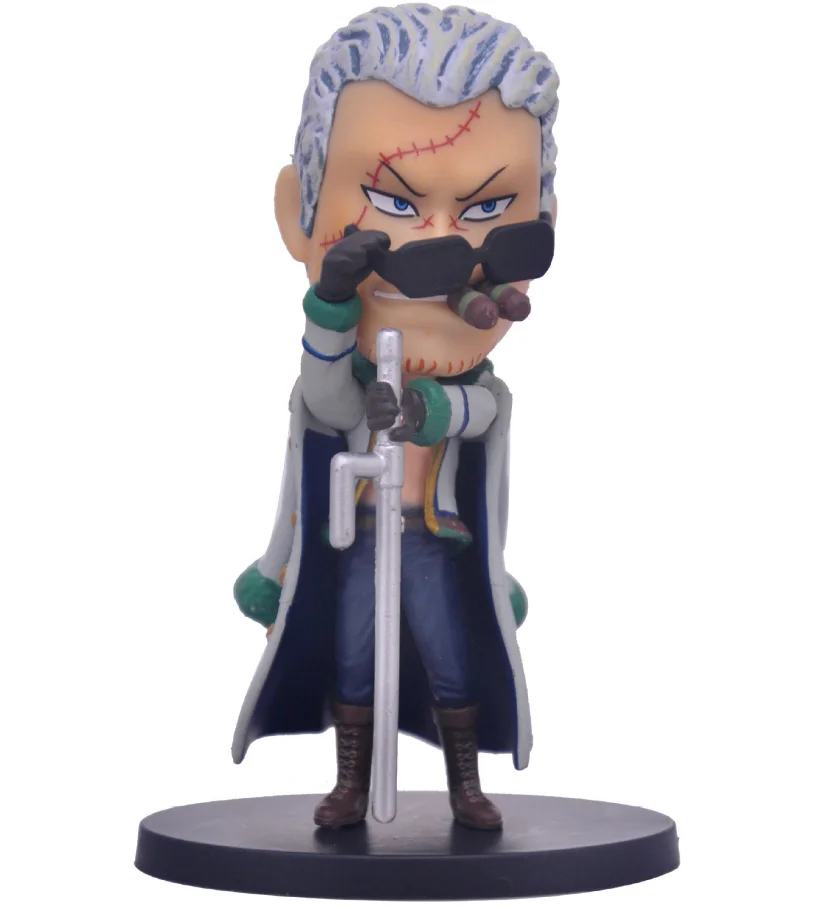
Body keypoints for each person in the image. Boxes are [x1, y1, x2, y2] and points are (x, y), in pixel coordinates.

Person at [232, 3, 559, 830]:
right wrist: (333, 303)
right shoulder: (342, 368)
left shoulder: (485, 387)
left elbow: (479, 412)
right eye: (392, 201)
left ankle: (464, 786)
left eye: (487, 211)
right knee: (351, 657)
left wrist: (425, 407)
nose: (440, 245)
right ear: (299, 217)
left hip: (433, 537)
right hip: (353, 536)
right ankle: (350, 783)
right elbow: (327, 400)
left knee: (453, 660)